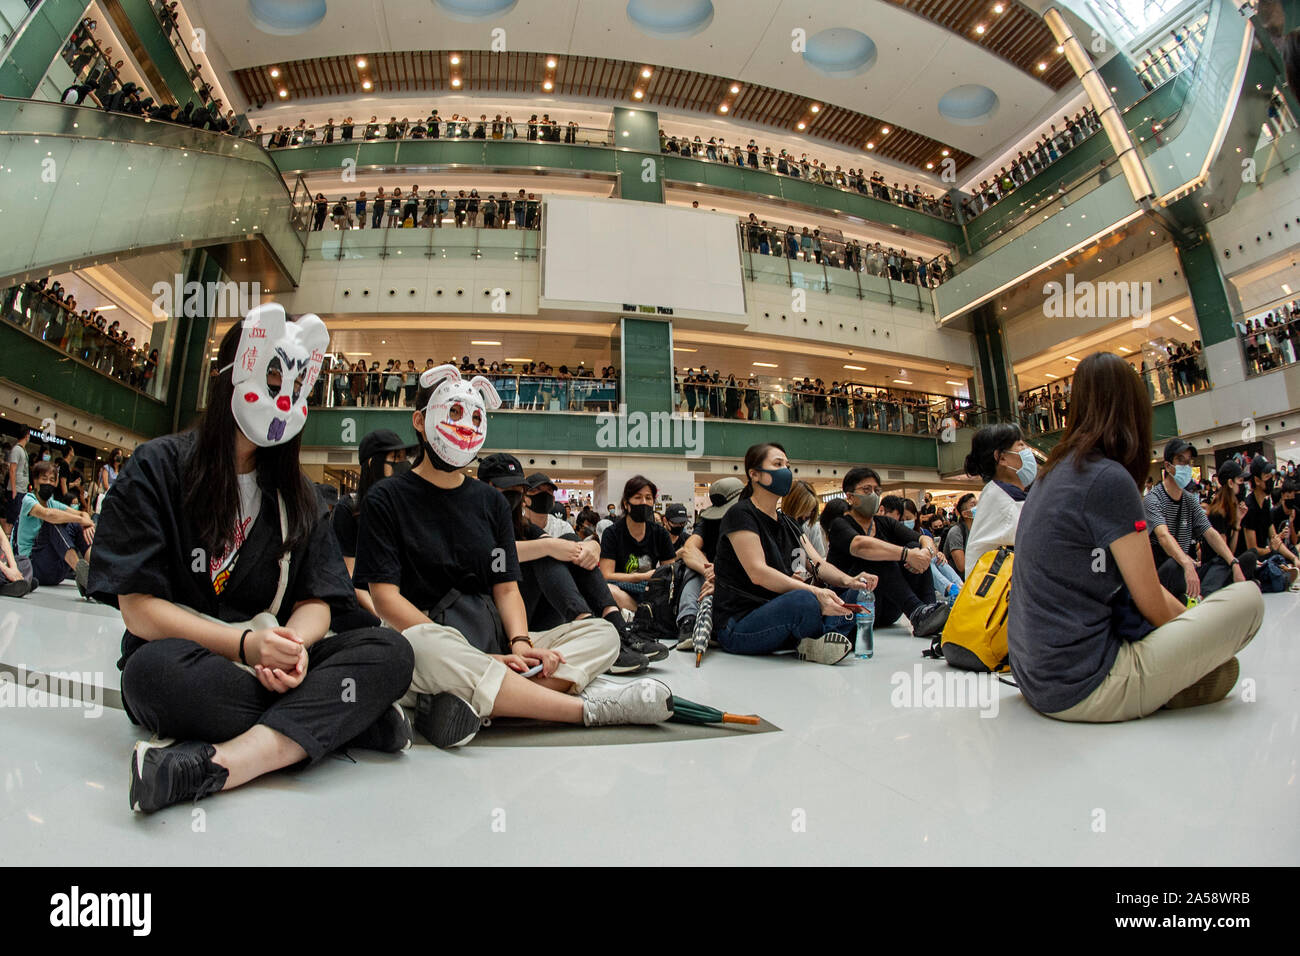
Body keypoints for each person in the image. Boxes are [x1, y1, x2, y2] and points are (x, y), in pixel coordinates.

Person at [85, 305, 415, 812]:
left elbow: (317, 599)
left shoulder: (299, 495)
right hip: (189, 659)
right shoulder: (157, 468)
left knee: (390, 653)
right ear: (231, 374)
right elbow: (139, 609)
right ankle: (344, 721)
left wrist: (294, 647)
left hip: (272, 661)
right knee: (154, 676)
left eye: (297, 383)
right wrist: (244, 646)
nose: (285, 394)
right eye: (274, 374)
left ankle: (222, 764)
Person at [354, 365, 672, 748]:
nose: (465, 424)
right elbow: (385, 599)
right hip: (431, 641)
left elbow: (505, 589)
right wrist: (473, 655)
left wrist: (520, 642)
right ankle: (583, 709)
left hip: (494, 640)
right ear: (420, 421)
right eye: (453, 413)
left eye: (474, 415)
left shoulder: (490, 502)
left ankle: (470, 699)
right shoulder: (386, 498)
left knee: (602, 633)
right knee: (420, 646)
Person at [1008, 352, 1264, 722]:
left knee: (1221, 670)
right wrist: (1203, 636)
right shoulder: (1109, 479)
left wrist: (1198, 636)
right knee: (1249, 601)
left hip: (1034, 675)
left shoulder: (1052, 474)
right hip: (1082, 682)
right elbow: (1152, 602)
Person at [712, 443, 877, 663]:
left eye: (788, 466)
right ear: (754, 474)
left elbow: (817, 563)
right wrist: (814, 592)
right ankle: (819, 637)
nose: (786, 471)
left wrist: (851, 580)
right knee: (803, 599)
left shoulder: (788, 523)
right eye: (778, 464)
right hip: (740, 623)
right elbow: (758, 572)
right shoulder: (741, 514)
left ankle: (815, 639)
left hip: (779, 615)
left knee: (855, 594)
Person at [511, 463, 657, 672]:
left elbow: (579, 548)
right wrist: (550, 546)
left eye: (548, 492)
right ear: (525, 497)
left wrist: (592, 546)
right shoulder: (512, 525)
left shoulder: (557, 526)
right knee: (547, 551)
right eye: (537, 491)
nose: (543, 496)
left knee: (566, 541)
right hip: (523, 609)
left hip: (555, 607)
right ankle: (593, 632)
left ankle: (615, 625)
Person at [826, 467, 951, 636]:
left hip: (886, 607)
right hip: (853, 602)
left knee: (915, 545)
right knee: (876, 554)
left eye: (877, 490)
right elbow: (861, 546)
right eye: (866, 490)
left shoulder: (884, 522)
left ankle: (928, 611)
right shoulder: (840, 525)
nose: (873, 495)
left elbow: (923, 539)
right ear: (849, 496)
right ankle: (917, 611)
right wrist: (907, 555)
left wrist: (925, 553)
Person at [1146, 438, 1246, 601]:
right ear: (1167, 466)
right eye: (1180, 460)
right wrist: (1186, 562)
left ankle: (1201, 598)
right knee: (1176, 566)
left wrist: (1233, 563)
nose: (1185, 466)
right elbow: (1163, 536)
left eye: (1188, 462)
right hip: (1165, 575)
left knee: (1226, 562)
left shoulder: (1189, 499)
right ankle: (1201, 598)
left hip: (1187, 569)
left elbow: (1210, 532)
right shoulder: (1153, 499)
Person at [332, 429, 412, 616]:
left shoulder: (405, 506)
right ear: (371, 462)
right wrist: (379, 612)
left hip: (403, 602)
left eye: (402, 458)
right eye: (394, 458)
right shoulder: (349, 509)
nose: (401, 465)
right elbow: (348, 574)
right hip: (366, 606)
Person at [674, 477, 742, 646]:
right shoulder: (708, 522)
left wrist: (722, 575)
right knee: (692, 571)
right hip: (710, 579)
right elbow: (688, 549)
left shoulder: (751, 522)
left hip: (739, 580)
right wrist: (710, 572)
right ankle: (689, 620)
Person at [961, 422, 1032, 573]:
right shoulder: (1010, 499)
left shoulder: (996, 492)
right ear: (1001, 458)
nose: (1027, 450)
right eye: (1020, 445)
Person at [598, 476, 677, 612]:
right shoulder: (612, 533)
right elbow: (606, 575)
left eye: (648, 498)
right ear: (626, 504)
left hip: (651, 591)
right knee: (610, 590)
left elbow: (670, 572)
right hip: (621, 591)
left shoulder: (660, 533)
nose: (644, 502)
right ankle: (645, 614)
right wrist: (642, 577)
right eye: (638, 497)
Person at [17, 461, 94, 590]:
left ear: (56, 483)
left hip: (57, 569)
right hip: (34, 567)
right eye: (44, 479)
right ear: (35, 482)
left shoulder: (53, 504)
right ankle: (82, 575)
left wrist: (87, 524)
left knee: (75, 525)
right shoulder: (28, 500)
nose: (48, 483)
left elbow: (82, 514)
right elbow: (48, 514)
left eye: (52, 480)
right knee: (52, 522)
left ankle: (96, 572)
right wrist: (80, 520)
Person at [1242, 455, 1300, 587]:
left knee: (1287, 554)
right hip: (1253, 562)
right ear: (1257, 480)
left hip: (1266, 556)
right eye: (1267, 476)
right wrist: (1270, 549)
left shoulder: (1266, 503)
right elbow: (1252, 550)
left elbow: (1275, 539)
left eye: (1271, 474)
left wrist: (1294, 558)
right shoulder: (1250, 507)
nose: (1271, 479)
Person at [1205, 460, 1258, 583]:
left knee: (1252, 554)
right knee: (1250, 557)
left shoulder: (1229, 510)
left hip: (1224, 565)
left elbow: (1231, 551)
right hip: (1214, 570)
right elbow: (1225, 554)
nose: (1243, 485)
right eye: (1240, 481)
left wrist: (1238, 522)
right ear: (1230, 482)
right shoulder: (1217, 514)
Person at [943, 493, 977, 579]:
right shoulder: (956, 532)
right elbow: (962, 566)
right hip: (959, 583)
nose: (978, 507)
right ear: (965, 514)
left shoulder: (978, 531)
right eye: (973, 505)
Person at [5, 425, 30, 536]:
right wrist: (14, 490)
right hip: (16, 490)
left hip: (22, 490)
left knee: (17, 518)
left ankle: (10, 542)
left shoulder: (23, 451)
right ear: (26, 435)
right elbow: (12, 470)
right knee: (11, 518)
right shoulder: (16, 450)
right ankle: (5, 545)